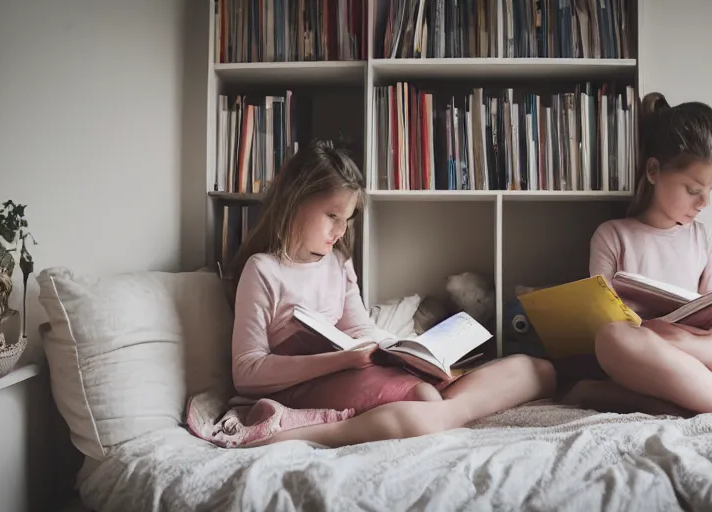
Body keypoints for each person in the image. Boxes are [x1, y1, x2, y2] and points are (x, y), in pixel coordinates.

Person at [229, 140, 556, 448]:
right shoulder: (263, 270)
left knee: (538, 370)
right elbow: (246, 372)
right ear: (295, 200)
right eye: (332, 216)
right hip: (304, 387)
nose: (341, 231)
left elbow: (359, 329)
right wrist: (340, 360)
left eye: (347, 219)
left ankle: (438, 416)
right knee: (425, 398)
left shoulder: (338, 261)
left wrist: (404, 350)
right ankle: (332, 430)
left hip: (353, 369)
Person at [559, 92, 712, 417]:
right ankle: (702, 399)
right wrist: (649, 333)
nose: (704, 203)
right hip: (640, 353)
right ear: (654, 171)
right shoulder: (612, 235)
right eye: (693, 190)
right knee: (611, 337)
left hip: (689, 350)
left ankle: (629, 397)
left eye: (710, 189)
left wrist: (707, 328)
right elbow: (600, 320)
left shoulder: (705, 238)